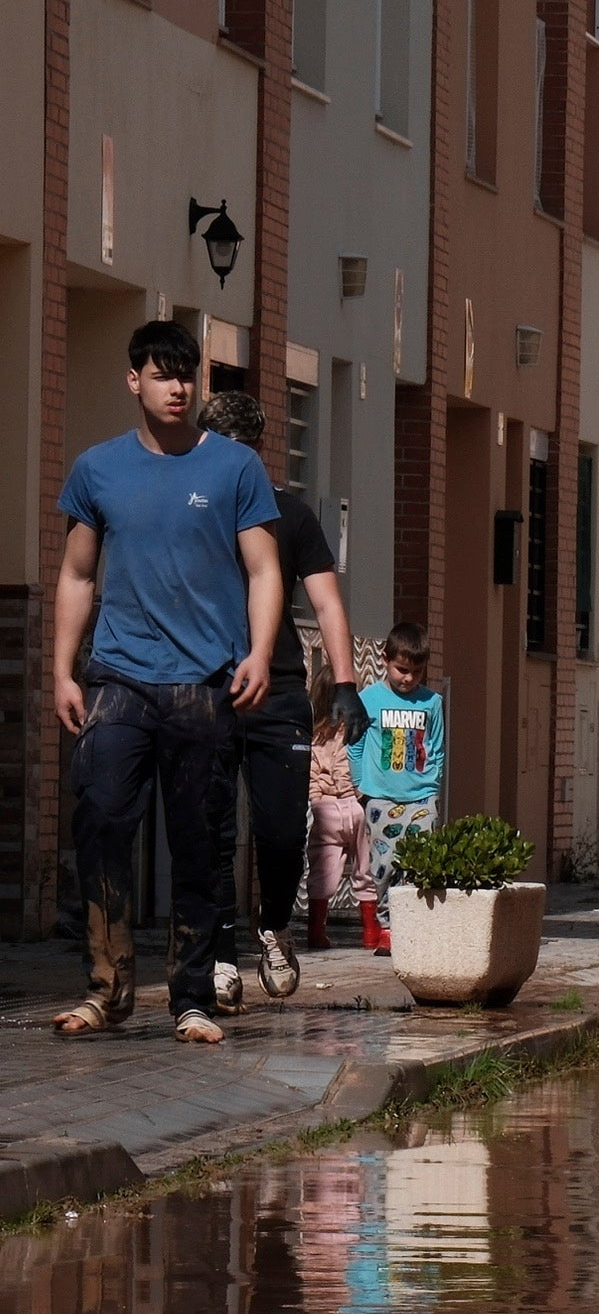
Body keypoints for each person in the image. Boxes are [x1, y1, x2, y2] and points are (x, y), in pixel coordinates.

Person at [49, 321, 284, 1044]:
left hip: (204, 683)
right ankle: (107, 987)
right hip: (118, 677)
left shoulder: (235, 468)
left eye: (187, 374)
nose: (177, 387)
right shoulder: (98, 469)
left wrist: (261, 653)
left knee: (198, 840)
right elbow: (77, 573)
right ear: (134, 380)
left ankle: (190, 998)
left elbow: (265, 570)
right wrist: (61, 668)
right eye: (162, 373)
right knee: (101, 818)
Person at [196, 388, 364, 1003]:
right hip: (206, 683)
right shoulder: (194, 508)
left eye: (242, 452)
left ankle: (272, 927)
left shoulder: (288, 515)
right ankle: (216, 949)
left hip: (280, 690)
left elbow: (325, 600)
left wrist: (345, 682)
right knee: (209, 825)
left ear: (259, 451)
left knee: (279, 825)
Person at [352, 622, 447, 949]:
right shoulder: (368, 698)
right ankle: (387, 926)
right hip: (380, 796)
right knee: (385, 863)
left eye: (416, 672)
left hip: (421, 797)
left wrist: (432, 784)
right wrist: (359, 785)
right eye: (402, 670)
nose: (408, 678)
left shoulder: (431, 702)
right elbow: (355, 742)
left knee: (421, 861)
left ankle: (417, 924)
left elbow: (436, 746)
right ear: (385, 660)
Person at [305, 707, 377, 948]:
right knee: (366, 869)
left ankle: (316, 932)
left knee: (322, 873)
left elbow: (312, 774)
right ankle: (371, 933)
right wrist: (355, 797)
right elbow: (344, 769)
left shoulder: (314, 736)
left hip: (325, 808)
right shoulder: (353, 731)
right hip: (354, 806)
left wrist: (316, 800)